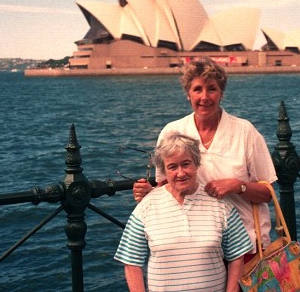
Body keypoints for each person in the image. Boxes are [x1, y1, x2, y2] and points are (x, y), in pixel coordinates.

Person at [133, 57, 278, 260]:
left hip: (245, 244)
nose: (204, 97)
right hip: (195, 246)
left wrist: (238, 186)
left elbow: (267, 194)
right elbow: (167, 188)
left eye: (212, 89)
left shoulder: (245, 131)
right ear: (188, 94)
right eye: (197, 89)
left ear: (221, 93)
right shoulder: (172, 131)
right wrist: (150, 193)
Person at [114, 132, 252, 292]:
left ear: (196, 164)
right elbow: (131, 263)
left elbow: (237, 257)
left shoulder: (220, 203)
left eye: (186, 164)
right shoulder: (147, 206)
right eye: (172, 167)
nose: (180, 173)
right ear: (164, 171)